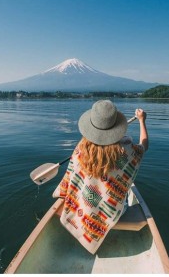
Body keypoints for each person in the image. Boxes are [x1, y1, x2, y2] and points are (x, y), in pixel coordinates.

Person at [53, 100, 148, 254]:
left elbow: (72, 178)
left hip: (81, 205)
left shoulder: (81, 148)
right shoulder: (126, 151)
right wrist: (142, 121)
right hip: (111, 212)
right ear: (116, 126)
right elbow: (144, 147)